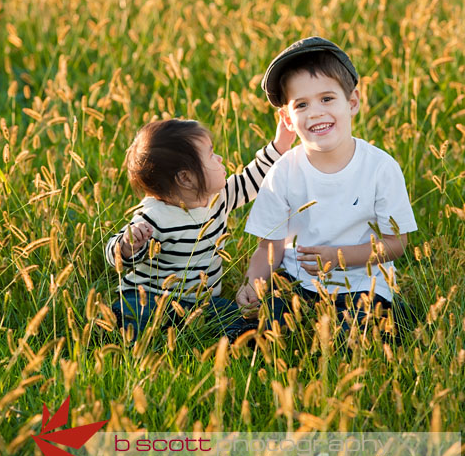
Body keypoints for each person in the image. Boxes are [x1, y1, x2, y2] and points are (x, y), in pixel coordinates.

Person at [236, 37, 418, 341]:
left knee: (356, 340)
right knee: (266, 332)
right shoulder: (283, 171)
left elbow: (396, 243)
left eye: (327, 99)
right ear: (288, 119)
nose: (316, 112)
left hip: (362, 283)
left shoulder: (380, 168)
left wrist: (339, 257)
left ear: (352, 102)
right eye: (302, 105)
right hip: (298, 281)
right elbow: (270, 247)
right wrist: (254, 283)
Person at [105, 116, 295, 342]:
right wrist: (128, 246)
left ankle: (237, 335)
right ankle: (122, 321)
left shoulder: (218, 198)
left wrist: (280, 145)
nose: (220, 158)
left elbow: (252, 179)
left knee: (235, 316)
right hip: (153, 296)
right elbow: (114, 255)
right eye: (211, 155)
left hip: (202, 303)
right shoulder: (154, 216)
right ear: (185, 178)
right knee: (139, 311)